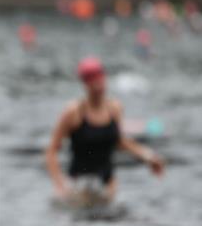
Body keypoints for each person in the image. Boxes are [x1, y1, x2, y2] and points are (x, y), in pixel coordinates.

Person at [45, 57, 164, 207]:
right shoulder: (73, 112)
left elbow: (120, 141)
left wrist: (149, 156)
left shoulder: (114, 108)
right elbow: (51, 151)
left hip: (108, 185)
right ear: (85, 83)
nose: (97, 83)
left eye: (99, 76)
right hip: (80, 186)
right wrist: (60, 185)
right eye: (91, 78)